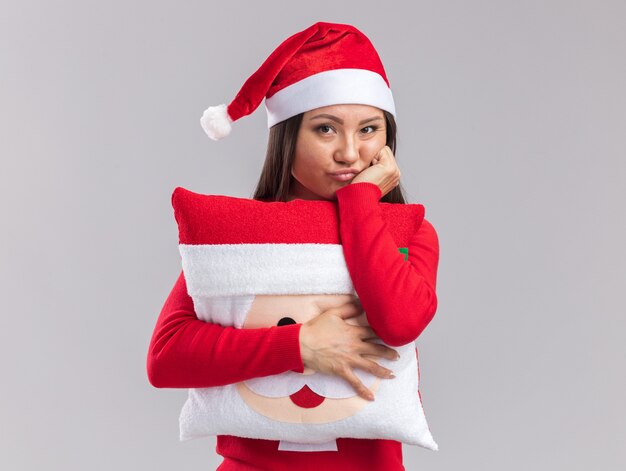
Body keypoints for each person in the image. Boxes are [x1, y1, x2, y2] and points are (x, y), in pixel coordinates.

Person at [147, 21, 440, 471]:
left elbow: (399, 323)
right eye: (325, 129)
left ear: (388, 140)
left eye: (368, 130)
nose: (349, 153)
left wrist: (361, 202)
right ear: (287, 136)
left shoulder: (411, 232)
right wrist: (299, 345)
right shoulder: (239, 235)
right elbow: (166, 358)